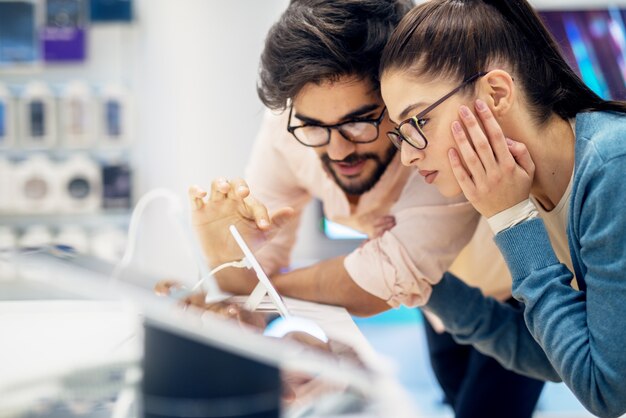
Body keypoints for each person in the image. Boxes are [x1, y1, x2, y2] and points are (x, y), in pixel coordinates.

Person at [190, 1, 544, 417]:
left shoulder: (436, 141)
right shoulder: (287, 128)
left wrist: (265, 287)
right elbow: (249, 271)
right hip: (438, 297)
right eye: (315, 127)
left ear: (398, 97)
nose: (338, 149)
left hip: (516, 287)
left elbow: (382, 280)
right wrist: (223, 251)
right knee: (453, 399)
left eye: (359, 123)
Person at [379, 0, 626, 416]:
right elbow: (559, 356)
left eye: (418, 123)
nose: (407, 156)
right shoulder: (529, 182)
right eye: (399, 134)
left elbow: (605, 390)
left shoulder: (610, 165)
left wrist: (512, 219)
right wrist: (426, 283)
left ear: (496, 94)